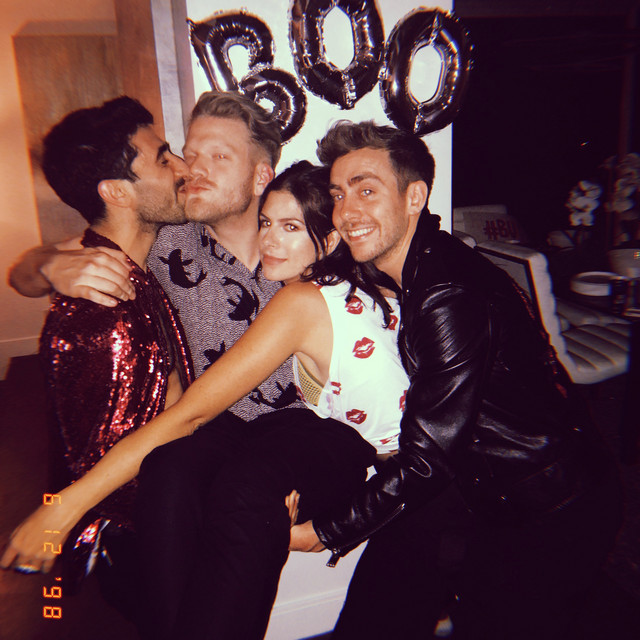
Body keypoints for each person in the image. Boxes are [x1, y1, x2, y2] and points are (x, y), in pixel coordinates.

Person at [2, 159, 405, 638]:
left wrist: (62, 508)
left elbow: (193, 413)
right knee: (170, 468)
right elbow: (30, 269)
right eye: (266, 223)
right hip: (346, 446)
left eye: (291, 227)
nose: (270, 240)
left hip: (393, 466)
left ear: (331, 240)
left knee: (243, 490)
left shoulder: (302, 300)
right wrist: (49, 264)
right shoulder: (339, 283)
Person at [287, 120, 623, 640]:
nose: (346, 211)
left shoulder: (446, 293)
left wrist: (326, 532)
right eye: (338, 195)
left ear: (414, 197)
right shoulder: (418, 262)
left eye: (366, 190)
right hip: (501, 491)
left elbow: (428, 456)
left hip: (553, 504)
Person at [1, 96, 193, 613]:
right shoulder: (105, 308)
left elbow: (24, 270)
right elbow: (120, 441)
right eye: (163, 158)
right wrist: (60, 515)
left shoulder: (115, 260)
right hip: (142, 529)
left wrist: (46, 263)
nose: (182, 167)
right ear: (117, 192)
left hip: (151, 512)